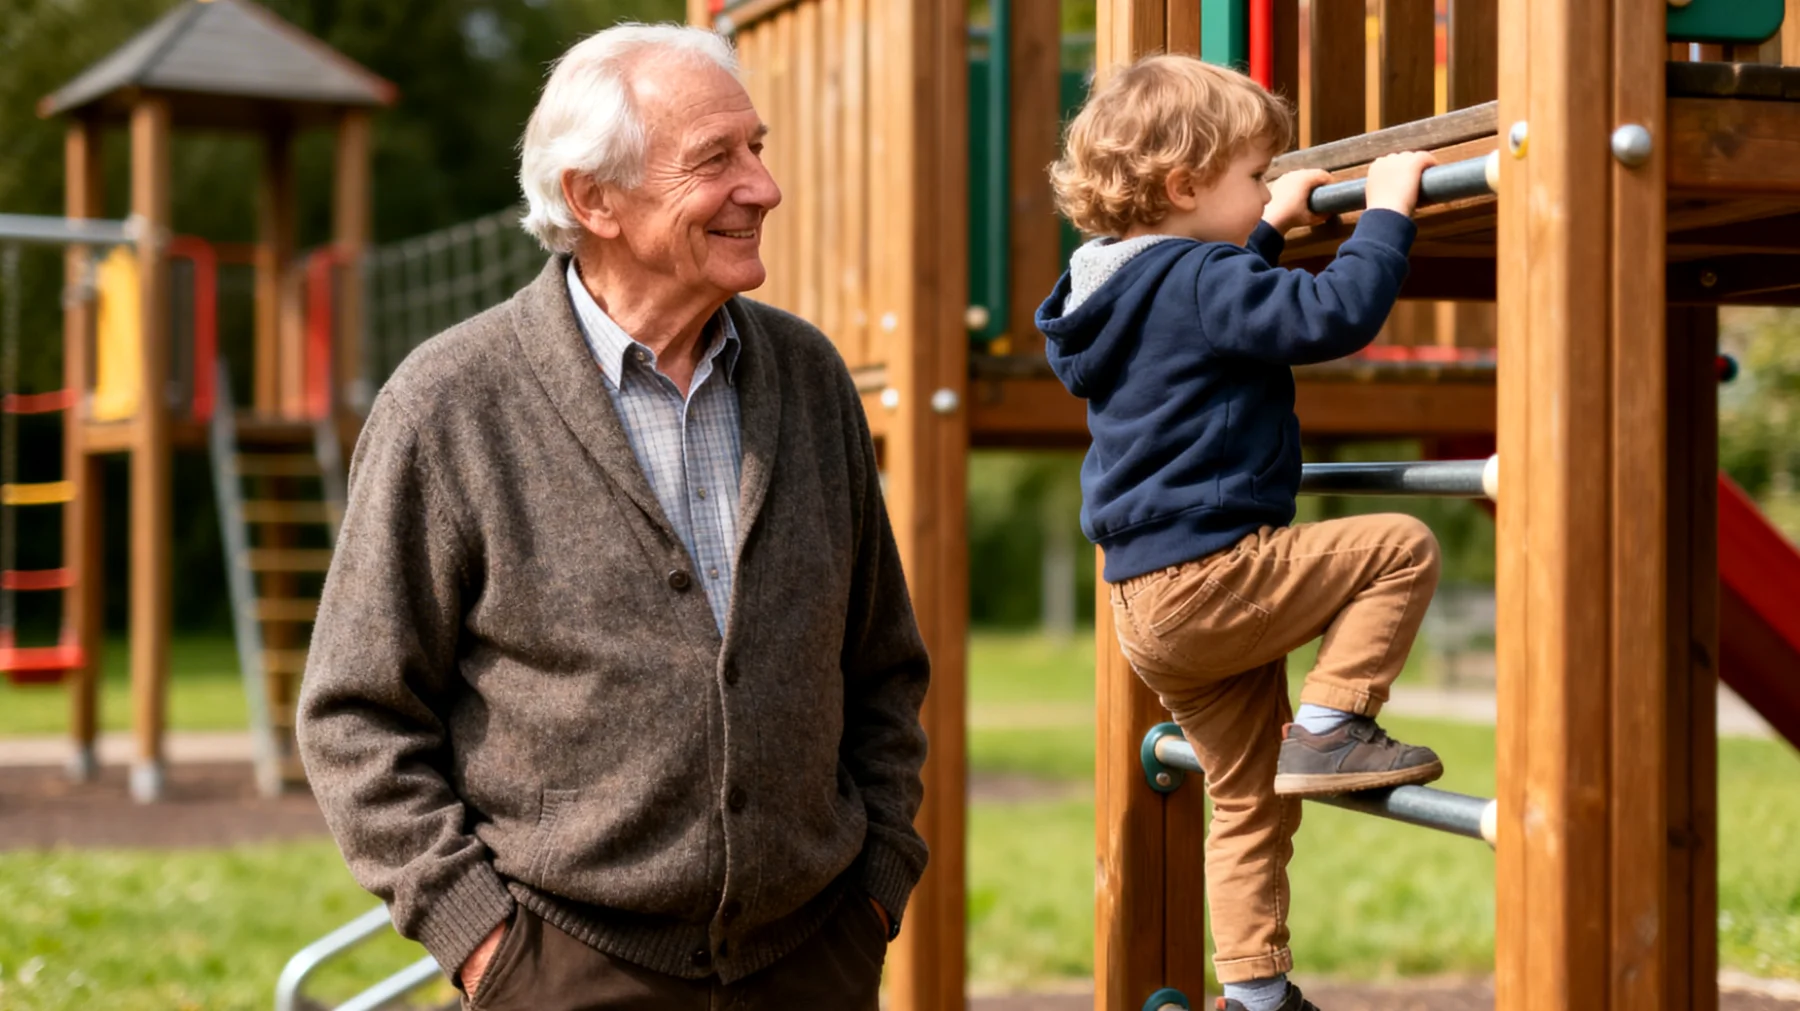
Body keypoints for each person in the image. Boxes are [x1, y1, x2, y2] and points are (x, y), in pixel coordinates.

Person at [297, 23, 929, 1011]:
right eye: (717, 160)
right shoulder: (452, 402)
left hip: (815, 959)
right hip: (561, 971)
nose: (762, 186)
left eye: (756, 149)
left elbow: (882, 668)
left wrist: (877, 891)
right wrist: (486, 947)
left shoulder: (810, 380)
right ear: (594, 198)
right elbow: (357, 716)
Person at [1035, 54, 1445, 1011]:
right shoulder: (1199, 276)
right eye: (1254, 174)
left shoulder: (1109, 289)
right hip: (1215, 572)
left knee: (1246, 799)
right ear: (1185, 186)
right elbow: (1331, 313)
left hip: (1146, 605)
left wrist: (1262, 223)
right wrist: (1386, 211)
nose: (1267, 187)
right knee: (1399, 546)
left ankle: (1257, 995)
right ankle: (1337, 720)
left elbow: (1207, 317)